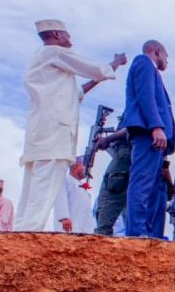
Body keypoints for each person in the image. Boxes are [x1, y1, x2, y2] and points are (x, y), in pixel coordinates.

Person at [14, 19, 126, 231]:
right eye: (67, 35)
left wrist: (99, 79)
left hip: (41, 131)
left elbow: (78, 92)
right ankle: (30, 230)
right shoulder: (54, 52)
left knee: (33, 184)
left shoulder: (41, 61)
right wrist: (115, 63)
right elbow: (96, 69)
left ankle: (21, 230)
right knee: (46, 183)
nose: (70, 39)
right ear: (56, 35)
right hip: (54, 131)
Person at [123, 40, 175, 238]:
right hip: (148, 133)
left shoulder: (154, 72)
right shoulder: (144, 63)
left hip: (155, 138)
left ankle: (150, 235)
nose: (167, 60)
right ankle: (136, 233)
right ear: (157, 51)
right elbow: (146, 97)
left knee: (153, 188)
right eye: (166, 55)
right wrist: (156, 127)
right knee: (142, 181)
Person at [94, 123, 130, 236]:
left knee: (105, 212)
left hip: (123, 160)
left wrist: (108, 139)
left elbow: (133, 127)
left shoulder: (140, 105)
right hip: (130, 158)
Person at [53, 157, 95, 233]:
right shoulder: (65, 180)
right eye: (85, 166)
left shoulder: (83, 186)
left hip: (85, 230)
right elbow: (61, 199)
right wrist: (64, 217)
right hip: (69, 227)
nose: (87, 169)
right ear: (75, 167)